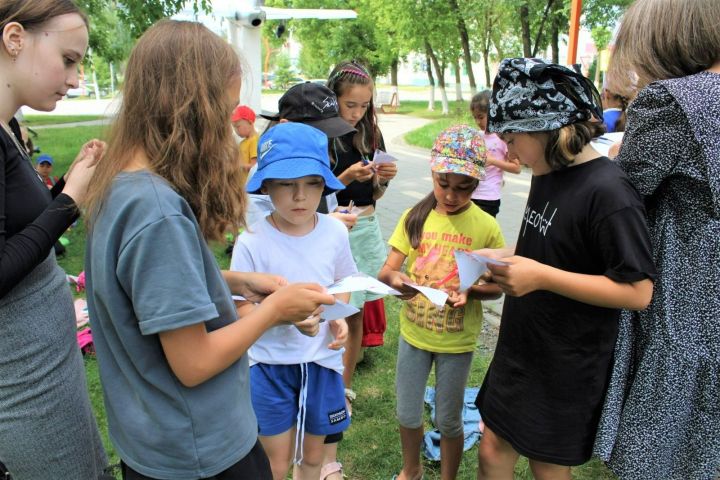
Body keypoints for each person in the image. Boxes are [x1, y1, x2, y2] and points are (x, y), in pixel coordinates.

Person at [82, 20, 335, 480]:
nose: (229, 129)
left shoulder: (120, 185)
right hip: (200, 452)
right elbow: (194, 363)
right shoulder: (157, 213)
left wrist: (234, 282)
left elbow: (145, 294)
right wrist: (275, 309)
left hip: (153, 441)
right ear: (192, 108)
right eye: (223, 112)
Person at [473, 58, 656, 480]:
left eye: (513, 138)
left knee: (547, 466)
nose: (510, 151)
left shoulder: (609, 192)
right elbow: (545, 243)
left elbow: (638, 291)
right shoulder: (547, 170)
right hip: (522, 343)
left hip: (566, 360)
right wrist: (502, 257)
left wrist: (540, 277)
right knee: (491, 448)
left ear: (550, 127)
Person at [591, 1, 720, 478]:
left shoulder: (676, 100)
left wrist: (620, 152)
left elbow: (624, 194)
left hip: (687, 297)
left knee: (661, 447)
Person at [0, 1, 109, 478]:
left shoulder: (8, 128)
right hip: (23, 389)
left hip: (47, 374)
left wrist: (68, 184)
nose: (75, 78)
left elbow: (17, 223)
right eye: (68, 59)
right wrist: (69, 205)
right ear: (15, 38)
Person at [378, 125, 505, 480]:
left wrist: (472, 292)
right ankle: (411, 470)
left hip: (457, 341)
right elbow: (387, 270)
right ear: (433, 173)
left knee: (448, 419)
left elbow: (496, 288)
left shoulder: (486, 227)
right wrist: (398, 282)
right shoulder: (414, 217)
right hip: (414, 335)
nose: (451, 195)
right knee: (407, 413)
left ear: (477, 184)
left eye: (463, 188)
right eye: (443, 184)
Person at [231, 122, 356, 480]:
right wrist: (280, 316)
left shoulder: (334, 230)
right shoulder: (251, 241)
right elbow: (242, 306)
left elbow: (344, 280)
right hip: (270, 365)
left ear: (324, 185)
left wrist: (339, 315)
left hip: (322, 363)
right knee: (275, 462)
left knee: (315, 457)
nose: (299, 196)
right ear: (266, 186)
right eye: (286, 184)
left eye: (312, 183)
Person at [326, 59, 397, 405]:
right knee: (338, 308)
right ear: (333, 98)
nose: (356, 112)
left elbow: (377, 195)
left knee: (355, 311)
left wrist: (382, 177)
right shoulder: (324, 136)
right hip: (334, 229)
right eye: (349, 104)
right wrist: (346, 177)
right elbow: (315, 195)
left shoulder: (371, 133)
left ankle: (344, 387)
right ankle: (332, 382)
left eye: (364, 105)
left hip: (366, 227)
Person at [469, 91, 521, 217]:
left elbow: (517, 168)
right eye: (475, 117)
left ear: (493, 114)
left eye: (481, 117)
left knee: (483, 234)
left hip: (489, 197)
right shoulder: (476, 136)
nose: (477, 121)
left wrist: (493, 161)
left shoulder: (502, 138)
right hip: (470, 193)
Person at [231, 104, 258, 185]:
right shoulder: (243, 142)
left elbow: (254, 167)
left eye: (238, 126)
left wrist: (237, 166)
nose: (235, 130)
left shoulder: (254, 141)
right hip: (241, 183)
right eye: (234, 128)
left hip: (249, 184)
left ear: (250, 122)